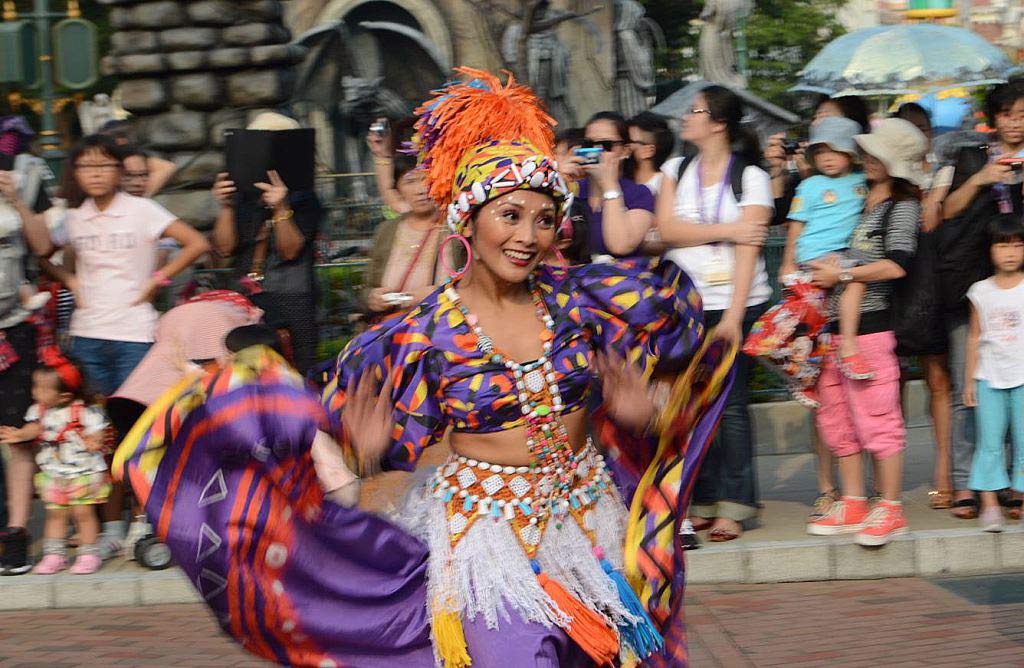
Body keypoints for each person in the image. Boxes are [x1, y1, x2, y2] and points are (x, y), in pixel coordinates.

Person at [113, 67, 733, 668]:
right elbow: (355, 448)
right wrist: (365, 447)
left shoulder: (581, 301)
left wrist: (639, 414)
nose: (528, 235)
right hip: (489, 543)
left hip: (590, 526)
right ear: (468, 220)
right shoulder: (421, 332)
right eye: (510, 215)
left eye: (544, 218)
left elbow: (668, 385)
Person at [654, 85, 773, 541]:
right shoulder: (675, 168)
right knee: (687, 402)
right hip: (683, 301)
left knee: (731, 405)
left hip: (733, 302)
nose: (686, 118)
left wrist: (734, 318)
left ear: (718, 123)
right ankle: (699, 498)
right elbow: (667, 229)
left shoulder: (751, 177)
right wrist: (728, 228)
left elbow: (750, 247)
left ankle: (735, 505)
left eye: (695, 111)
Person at [806, 118, 927, 546]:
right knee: (838, 418)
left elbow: (897, 264)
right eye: (869, 152)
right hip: (837, 329)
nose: (869, 159)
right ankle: (855, 500)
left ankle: (890, 507)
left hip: (873, 331)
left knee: (877, 418)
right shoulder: (860, 197)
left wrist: (842, 274)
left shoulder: (902, 205)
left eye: (878, 154)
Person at [933, 82, 1024, 519]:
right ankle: (972, 481)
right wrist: (983, 178)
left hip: (1020, 291)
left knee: (1017, 386)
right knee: (968, 387)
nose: (1015, 121)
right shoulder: (969, 157)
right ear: (994, 118)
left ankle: (1009, 481)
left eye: (1022, 113)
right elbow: (946, 210)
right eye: (1007, 113)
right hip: (971, 287)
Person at [753, 116, 868, 408]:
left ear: (851, 153)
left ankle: (813, 376)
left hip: (844, 255)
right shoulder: (810, 185)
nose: (827, 158)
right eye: (820, 152)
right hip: (811, 261)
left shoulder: (863, 181)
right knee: (801, 325)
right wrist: (787, 262)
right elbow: (796, 223)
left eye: (835, 150)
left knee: (824, 323)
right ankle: (803, 376)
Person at [211, 112, 324, 375]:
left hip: (293, 295)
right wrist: (226, 206)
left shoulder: (306, 199)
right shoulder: (242, 197)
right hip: (246, 295)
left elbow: (290, 250)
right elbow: (225, 248)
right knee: (244, 370)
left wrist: (281, 206)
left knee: (297, 368)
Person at [892, 102, 955, 511]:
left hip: (933, 284)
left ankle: (945, 474)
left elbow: (935, 220)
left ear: (930, 134)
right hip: (894, 285)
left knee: (938, 379)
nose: (917, 136)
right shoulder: (888, 177)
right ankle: (887, 479)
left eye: (921, 129)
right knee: (887, 385)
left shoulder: (944, 173)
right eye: (907, 129)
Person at [0, 124, 55, 574]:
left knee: (17, 433)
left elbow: (43, 247)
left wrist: (16, 198)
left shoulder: (27, 170)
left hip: (13, 327)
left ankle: (16, 533)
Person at [0, 357, 110, 574]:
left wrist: (94, 440)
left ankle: (89, 553)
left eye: (42, 388)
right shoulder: (39, 410)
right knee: (55, 514)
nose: (35, 392)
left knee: (82, 513)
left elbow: (99, 434)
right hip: (54, 473)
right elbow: (35, 428)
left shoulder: (86, 411)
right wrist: (20, 434)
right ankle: (54, 555)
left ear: (65, 395)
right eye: (35, 385)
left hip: (83, 472)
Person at [963, 215, 1024, 532]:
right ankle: (988, 504)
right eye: (1003, 245)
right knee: (989, 442)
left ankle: (1018, 493)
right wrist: (969, 380)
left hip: (1022, 378)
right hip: (989, 378)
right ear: (990, 250)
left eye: (1017, 245)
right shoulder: (980, 291)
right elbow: (973, 336)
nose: (1011, 252)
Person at [362, 155, 445, 318]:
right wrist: (373, 298)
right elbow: (367, 288)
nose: (421, 190)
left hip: (441, 332)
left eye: (426, 179)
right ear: (398, 189)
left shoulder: (456, 229)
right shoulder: (386, 230)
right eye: (410, 181)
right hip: (393, 333)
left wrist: (440, 294)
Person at [577, 111, 657, 258]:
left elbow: (620, 245)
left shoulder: (638, 194)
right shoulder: (572, 190)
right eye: (588, 144)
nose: (596, 152)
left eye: (606, 146)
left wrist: (609, 185)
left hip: (621, 277)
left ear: (625, 151)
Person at [628, 111, 675, 196]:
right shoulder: (620, 179)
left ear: (649, 151)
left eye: (630, 141)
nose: (625, 145)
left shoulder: (663, 185)